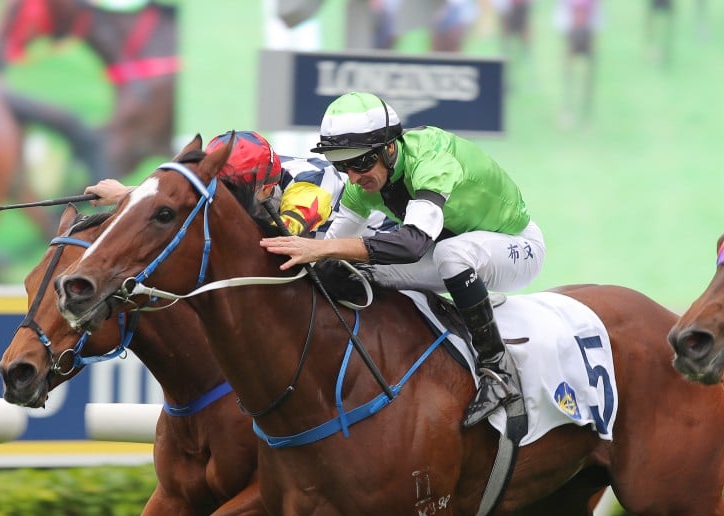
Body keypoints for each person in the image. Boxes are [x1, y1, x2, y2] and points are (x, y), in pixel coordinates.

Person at [259, 91, 546, 428]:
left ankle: (498, 373)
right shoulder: (361, 184)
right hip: (451, 251)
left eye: (361, 162)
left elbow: (411, 245)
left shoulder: (432, 160)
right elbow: (335, 250)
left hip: (516, 247)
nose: (352, 176)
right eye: (341, 165)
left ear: (390, 147)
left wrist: (320, 249)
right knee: (353, 273)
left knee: (450, 254)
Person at [85, 130, 348, 238]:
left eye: (231, 192)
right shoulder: (259, 180)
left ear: (267, 189)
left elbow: (280, 239)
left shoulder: (313, 185)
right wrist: (125, 194)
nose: (221, 198)